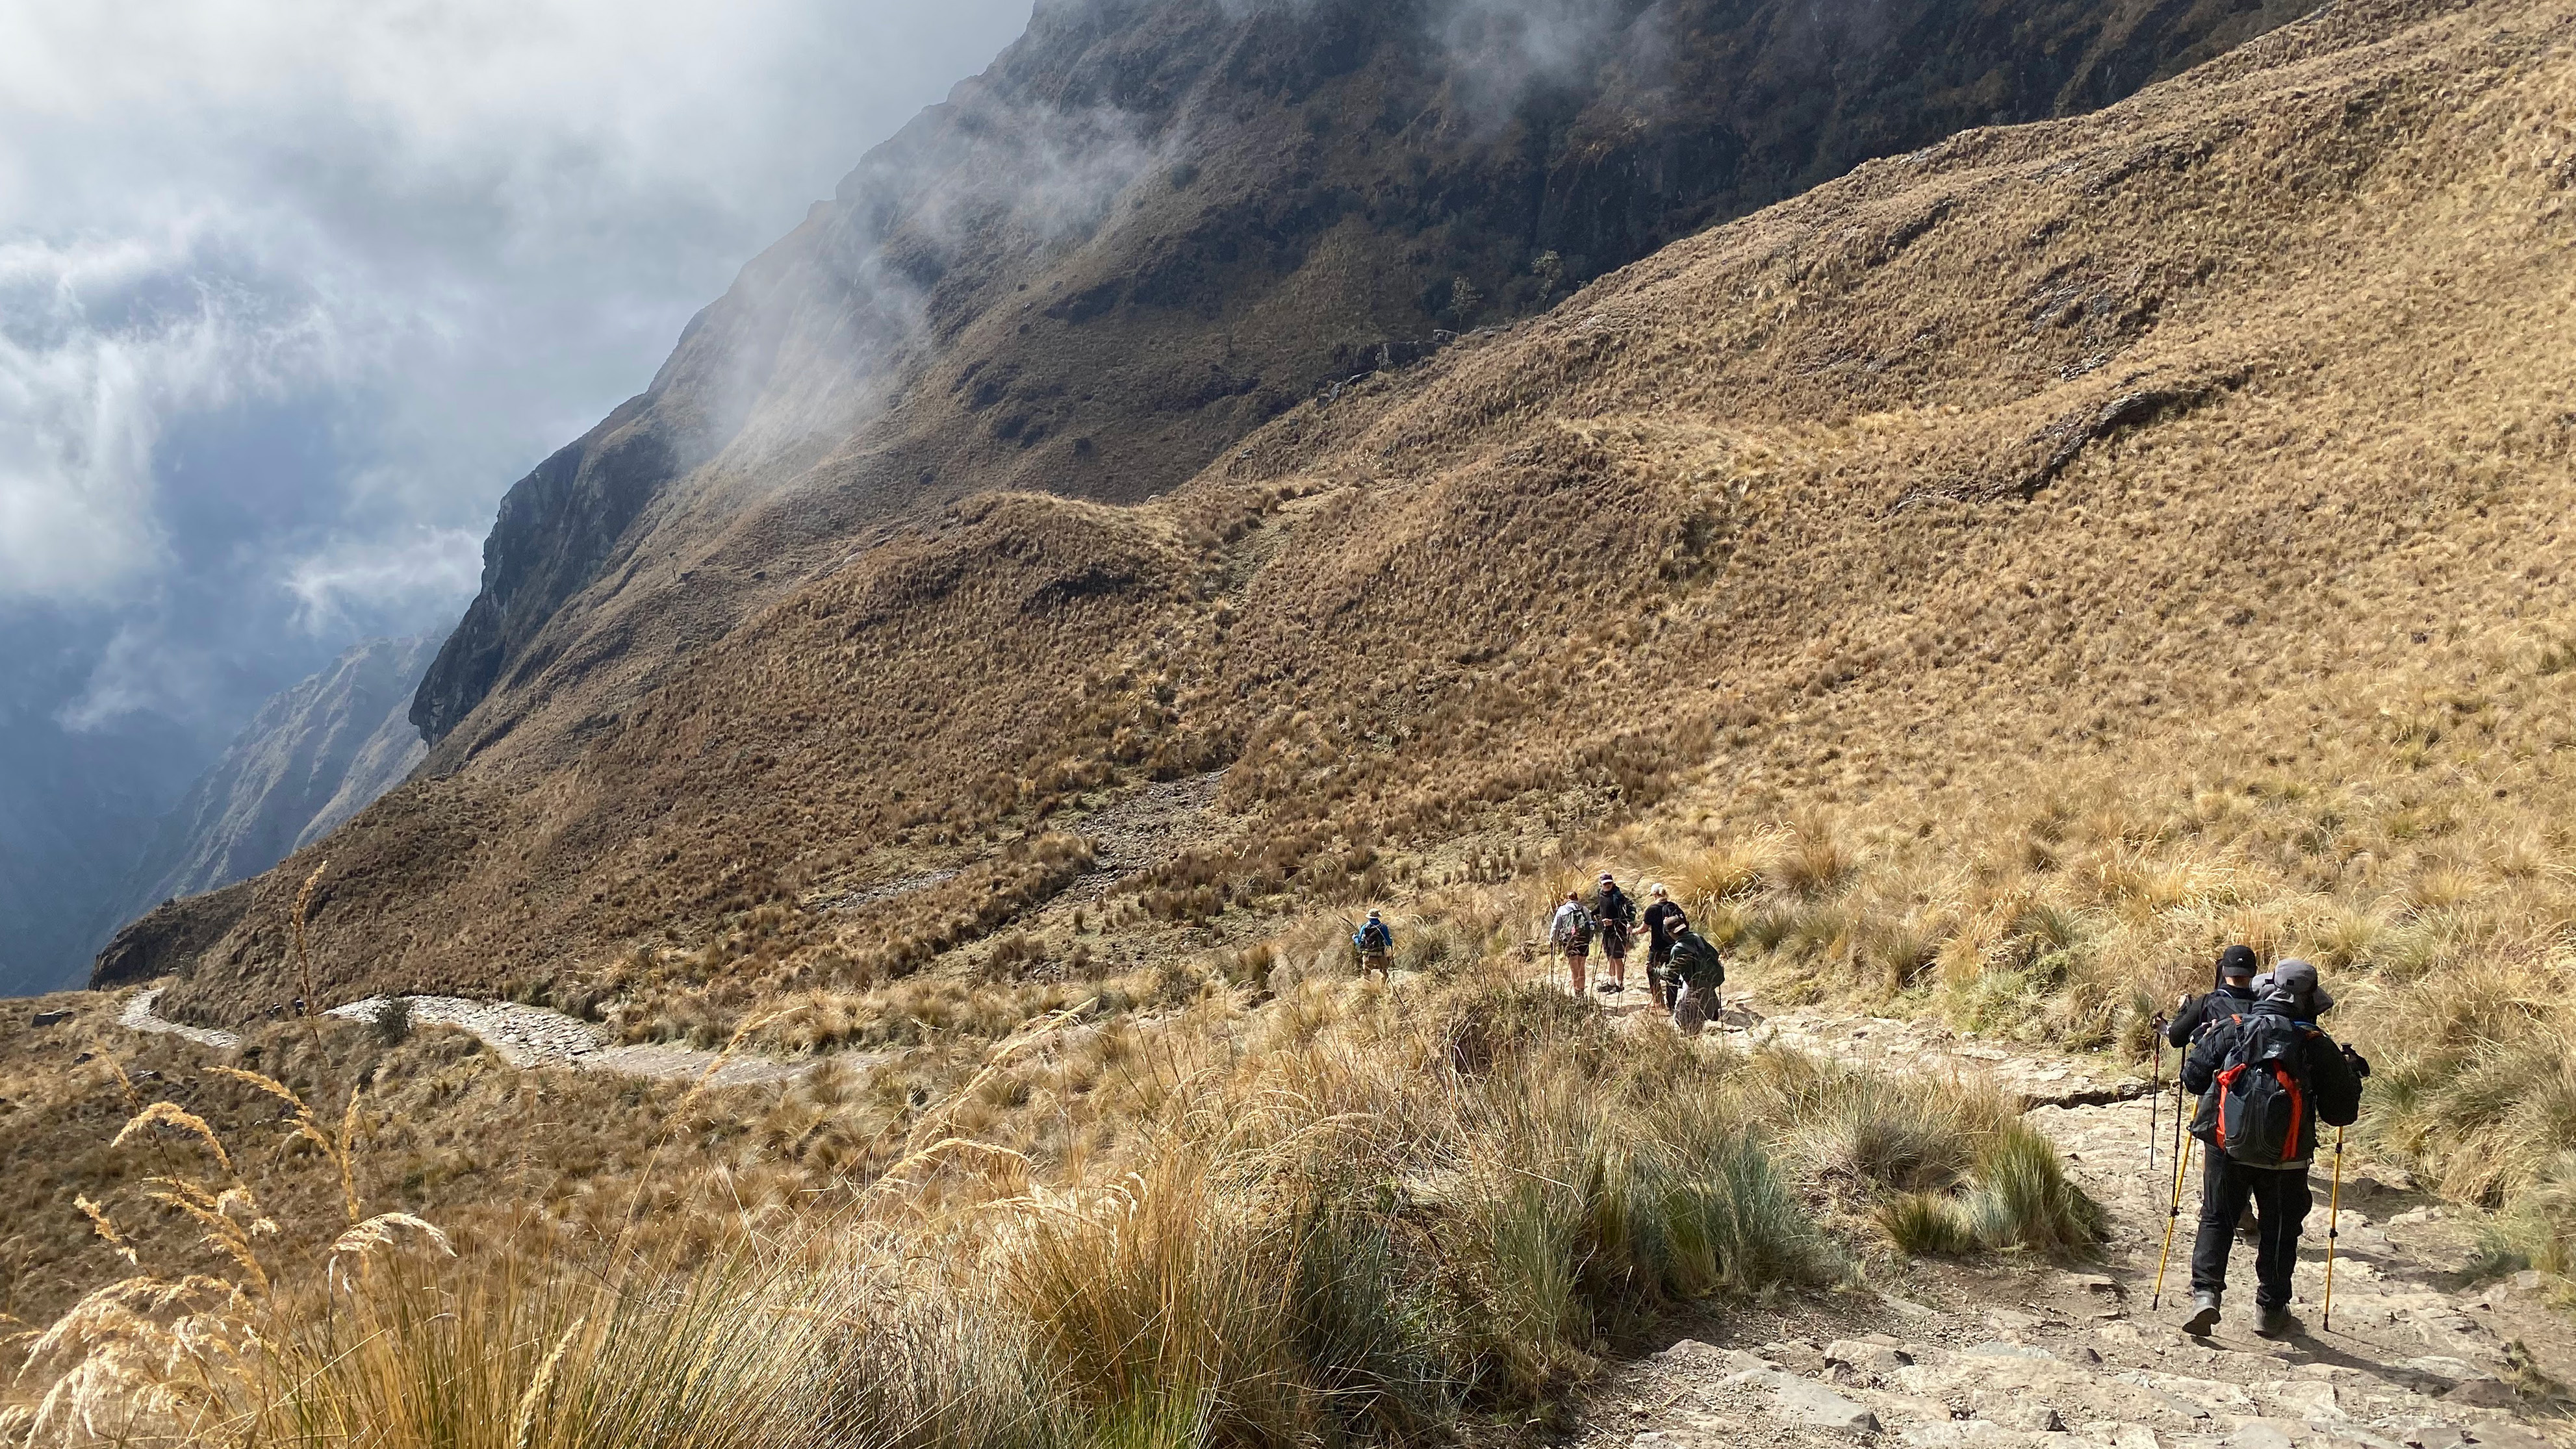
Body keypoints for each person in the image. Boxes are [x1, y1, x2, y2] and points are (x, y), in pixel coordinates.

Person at [2178, 980, 2366, 1337]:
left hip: (2226, 1147)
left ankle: (2205, 1295)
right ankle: (2270, 1309)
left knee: (2217, 1217)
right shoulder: (2315, 1044)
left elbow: (2193, 1079)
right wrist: (2351, 1077)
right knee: (2280, 1228)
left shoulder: (2232, 1028)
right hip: (2288, 1157)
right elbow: (2340, 1115)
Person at [2167, 944, 2261, 1050]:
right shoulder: (2264, 1003)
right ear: (2255, 971)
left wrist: (2183, 1010)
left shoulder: (2205, 1003)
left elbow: (2176, 1039)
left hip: (2216, 1065)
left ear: (2223, 970)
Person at [1666, 920, 1725, 1035]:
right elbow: (1714, 954)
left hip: (1694, 985)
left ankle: (1693, 1036)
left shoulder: (1677, 949)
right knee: (1706, 1003)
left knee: (1681, 1016)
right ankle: (1713, 1016)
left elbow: (1670, 974)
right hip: (1709, 980)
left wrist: (1654, 971)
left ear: (1670, 933)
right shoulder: (1697, 937)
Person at [1592, 872, 1639, 996]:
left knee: (1617, 958)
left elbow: (1625, 916)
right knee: (1609, 956)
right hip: (1606, 931)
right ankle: (1611, 982)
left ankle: (1619, 985)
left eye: (1610, 883)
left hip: (1618, 931)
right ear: (1601, 884)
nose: (1608, 885)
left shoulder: (1618, 896)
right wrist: (1591, 913)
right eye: (1605, 883)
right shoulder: (1601, 894)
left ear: (1613, 882)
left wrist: (1612, 922)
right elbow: (1601, 907)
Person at [1642, 884, 1687, 1009]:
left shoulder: (1652, 909)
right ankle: (1671, 1005)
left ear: (1655, 895)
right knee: (1672, 975)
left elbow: (1644, 929)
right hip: (1674, 946)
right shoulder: (1674, 907)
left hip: (1657, 948)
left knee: (1651, 971)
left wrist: (1632, 931)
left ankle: (1658, 1002)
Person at [1549, 890, 1596, 996]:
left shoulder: (1562, 910)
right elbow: (1591, 926)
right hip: (1584, 942)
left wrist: (1553, 940)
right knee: (1581, 967)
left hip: (1570, 942)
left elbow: (1556, 927)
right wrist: (1589, 939)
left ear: (1567, 899)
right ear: (1577, 899)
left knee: (1574, 969)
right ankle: (1582, 993)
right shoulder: (1585, 910)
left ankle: (1577, 994)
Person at [1354, 909, 1394, 981]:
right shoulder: (1383, 927)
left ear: (1369, 917)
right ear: (1378, 917)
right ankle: (1384, 988)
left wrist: (1355, 938)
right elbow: (1388, 942)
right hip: (1380, 954)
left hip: (1368, 954)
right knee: (1384, 972)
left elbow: (1360, 942)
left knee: (1367, 973)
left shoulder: (1364, 927)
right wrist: (1390, 942)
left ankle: (1368, 988)